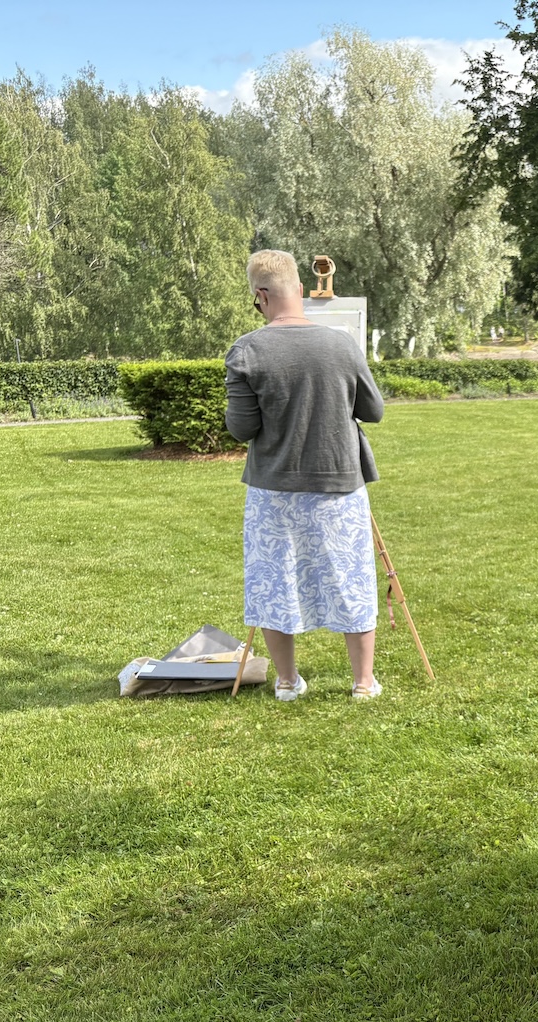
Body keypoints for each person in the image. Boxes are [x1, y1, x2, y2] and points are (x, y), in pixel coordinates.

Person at [225, 249, 387, 702]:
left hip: (274, 488)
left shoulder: (246, 350)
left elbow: (242, 428)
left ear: (260, 296)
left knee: (275, 578)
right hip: (339, 484)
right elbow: (373, 411)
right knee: (350, 575)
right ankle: (362, 682)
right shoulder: (341, 344)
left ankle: (286, 681)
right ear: (298, 290)